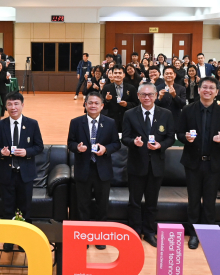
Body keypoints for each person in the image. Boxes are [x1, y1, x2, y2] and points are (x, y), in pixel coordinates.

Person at [176, 77, 220, 250]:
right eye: (204, 87)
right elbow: (179, 133)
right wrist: (186, 138)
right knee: (193, 200)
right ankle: (193, 234)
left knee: (209, 201)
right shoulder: (187, 110)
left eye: (211, 88)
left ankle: (208, 234)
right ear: (198, 90)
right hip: (193, 163)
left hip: (213, 163)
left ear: (216, 92)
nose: (207, 90)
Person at [120, 83, 175, 247]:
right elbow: (125, 138)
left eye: (150, 94)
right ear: (138, 96)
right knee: (134, 202)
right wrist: (133, 142)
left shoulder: (166, 114)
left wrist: (160, 145)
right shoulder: (129, 114)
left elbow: (170, 137)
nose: (147, 97)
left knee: (152, 203)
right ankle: (135, 232)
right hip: (136, 164)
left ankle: (149, 232)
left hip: (156, 165)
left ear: (156, 95)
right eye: (143, 94)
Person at [0, 92, 44, 251]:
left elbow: (39, 147)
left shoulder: (32, 124)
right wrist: (2, 152)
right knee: (8, 207)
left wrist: (27, 152)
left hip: (25, 174)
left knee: (25, 207)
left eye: (16, 104)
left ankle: (23, 240)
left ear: (22, 105)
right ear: (6, 107)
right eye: (9, 104)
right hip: (7, 174)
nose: (13, 107)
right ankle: (9, 239)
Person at [68, 92, 121, 244]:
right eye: (90, 103)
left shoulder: (110, 122)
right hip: (83, 169)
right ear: (85, 104)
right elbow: (70, 143)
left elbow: (116, 144)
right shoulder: (76, 122)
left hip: (102, 170)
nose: (93, 106)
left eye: (96, 103)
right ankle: (83, 237)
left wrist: (106, 149)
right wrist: (77, 148)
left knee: (102, 205)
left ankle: (100, 237)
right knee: (82, 205)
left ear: (102, 106)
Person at [101, 66, 137, 133]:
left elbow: (137, 104)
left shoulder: (131, 88)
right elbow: (103, 106)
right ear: (112, 75)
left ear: (124, 75)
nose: (117, 75)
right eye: (115, 73)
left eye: (120, 73)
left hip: (127, 119)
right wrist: (107, 100)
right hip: (112, 120)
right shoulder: (106, 88)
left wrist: (127, 104)